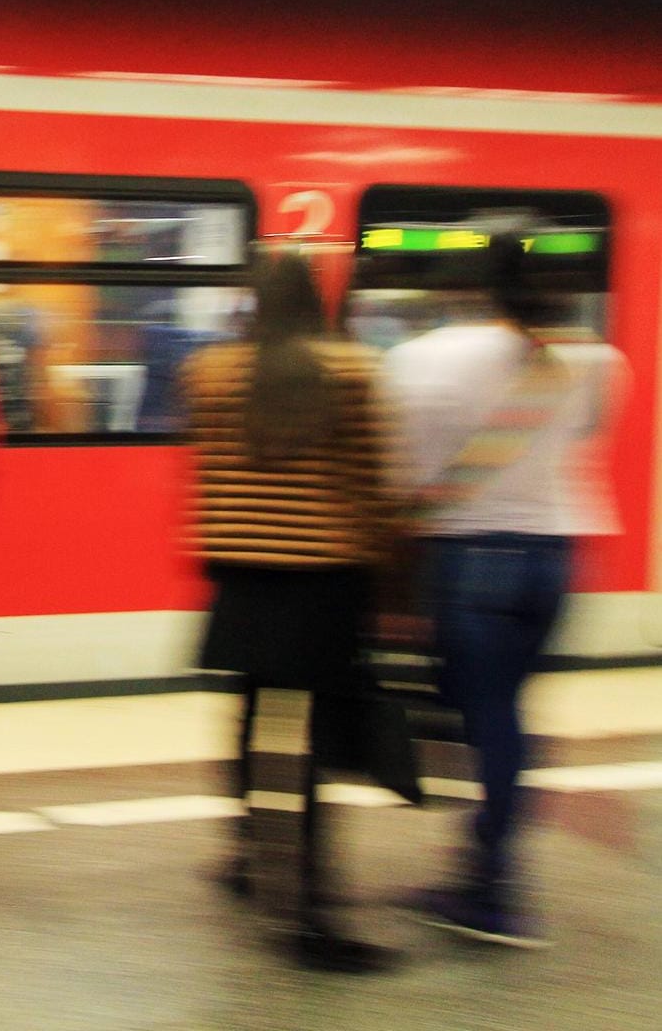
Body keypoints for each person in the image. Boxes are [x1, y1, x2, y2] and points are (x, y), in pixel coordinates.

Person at [385, 223, 626, 948]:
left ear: (477, 283)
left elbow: (402, 468)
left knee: (483, 720)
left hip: (470, 557)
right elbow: (584, 439)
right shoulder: (597, 359)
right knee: (506, 714)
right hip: (556, 554)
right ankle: (480, 867)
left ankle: (493, 888)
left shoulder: (423, 357)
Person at [181, 250, 396, 972]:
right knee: (313, 748)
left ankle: (248, 853)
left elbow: (206, 471)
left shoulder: (210, 373)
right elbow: (369, 487)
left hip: (240, 577)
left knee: (251, 721)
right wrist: (392, 582)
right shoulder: (355, 371)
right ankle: (310, 913)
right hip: (324, 581)